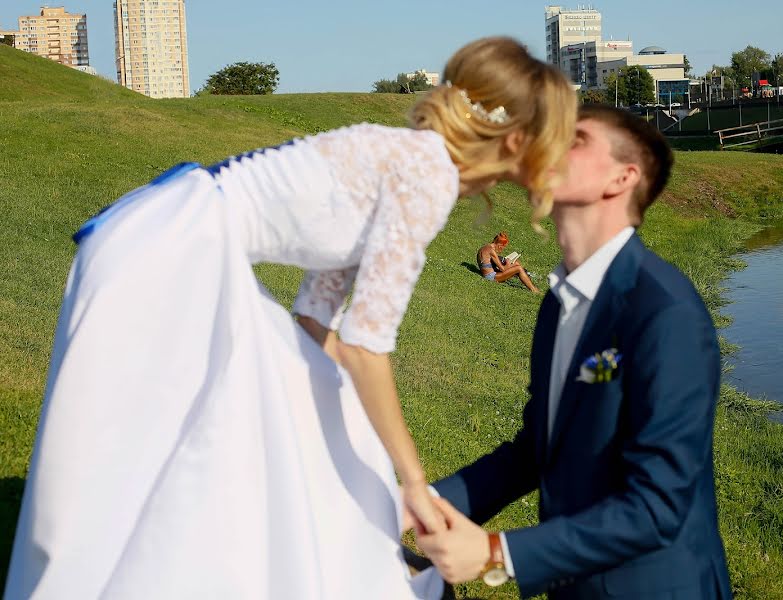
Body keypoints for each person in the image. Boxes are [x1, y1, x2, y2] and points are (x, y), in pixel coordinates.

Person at [4, 37, 577, 599]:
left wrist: (341, 423)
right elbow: (365, 346)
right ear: (519, 138)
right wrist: (412, 481)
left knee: (302, 419)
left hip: (175, 244)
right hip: (173, 258)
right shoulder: (426, 176)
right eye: (557, 139)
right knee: (171, 458)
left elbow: (316, 318)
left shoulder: (416, 161)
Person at [416, 105, 732, 599]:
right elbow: (538, 449)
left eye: (576, 139)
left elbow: (658, 506)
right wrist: (423, 504)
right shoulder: (557, 303)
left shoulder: (664, 311)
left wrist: (498, 553)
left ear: (621, 178)